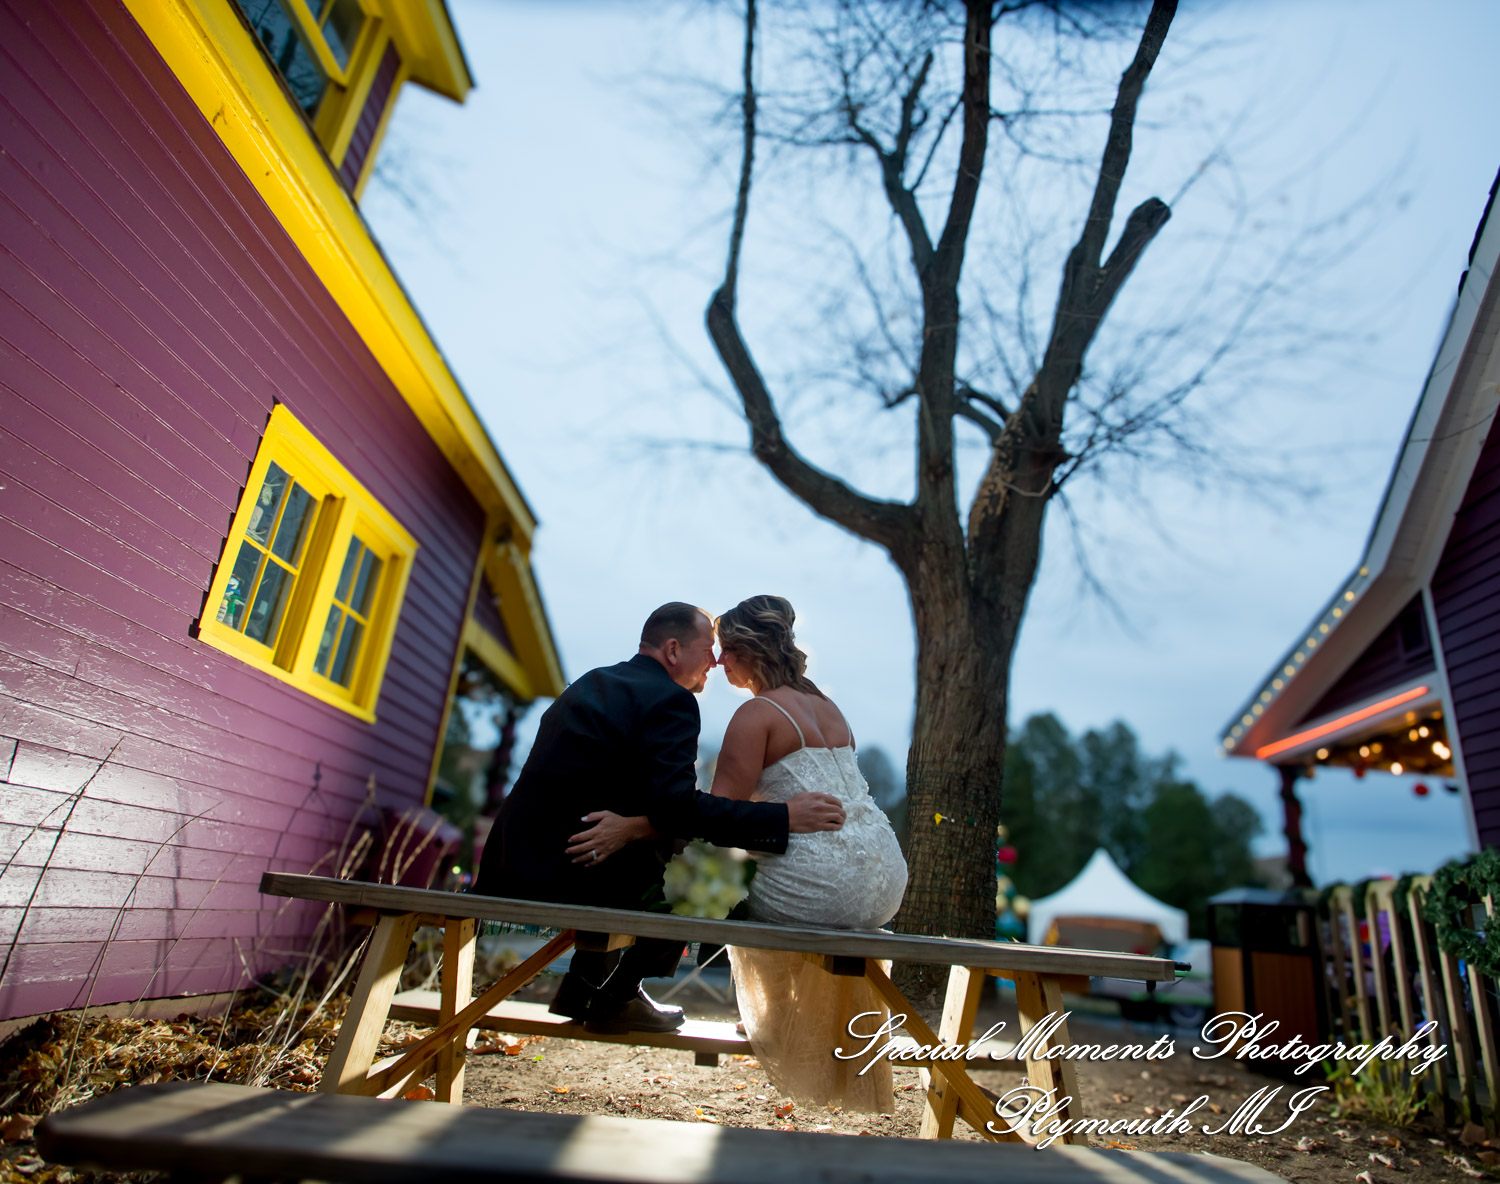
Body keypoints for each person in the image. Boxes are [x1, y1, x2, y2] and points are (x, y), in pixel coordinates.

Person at [579, 595, 908, 1112]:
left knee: (705, 870)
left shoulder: (756, 715)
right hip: (885, 878)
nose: (717, 661)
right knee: (757, 863)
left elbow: (715, 823)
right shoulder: (829, 707)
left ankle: (616, 991)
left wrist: (639, 827)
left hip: (826, 886)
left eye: (726, 650)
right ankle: (774, 1014)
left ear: (748, 651)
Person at [472, 602, 846, 1036]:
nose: (715, 659)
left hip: (511, 866)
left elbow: (632, 797)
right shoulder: (672, 701)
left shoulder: (593, 682)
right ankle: (617, 993)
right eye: (708, 648)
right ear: (672, 650)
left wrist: (633, 825)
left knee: (667, 840)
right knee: (710, 862)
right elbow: (679, 811)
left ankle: (585, 985)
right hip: (574, 871)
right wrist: (782, 817)